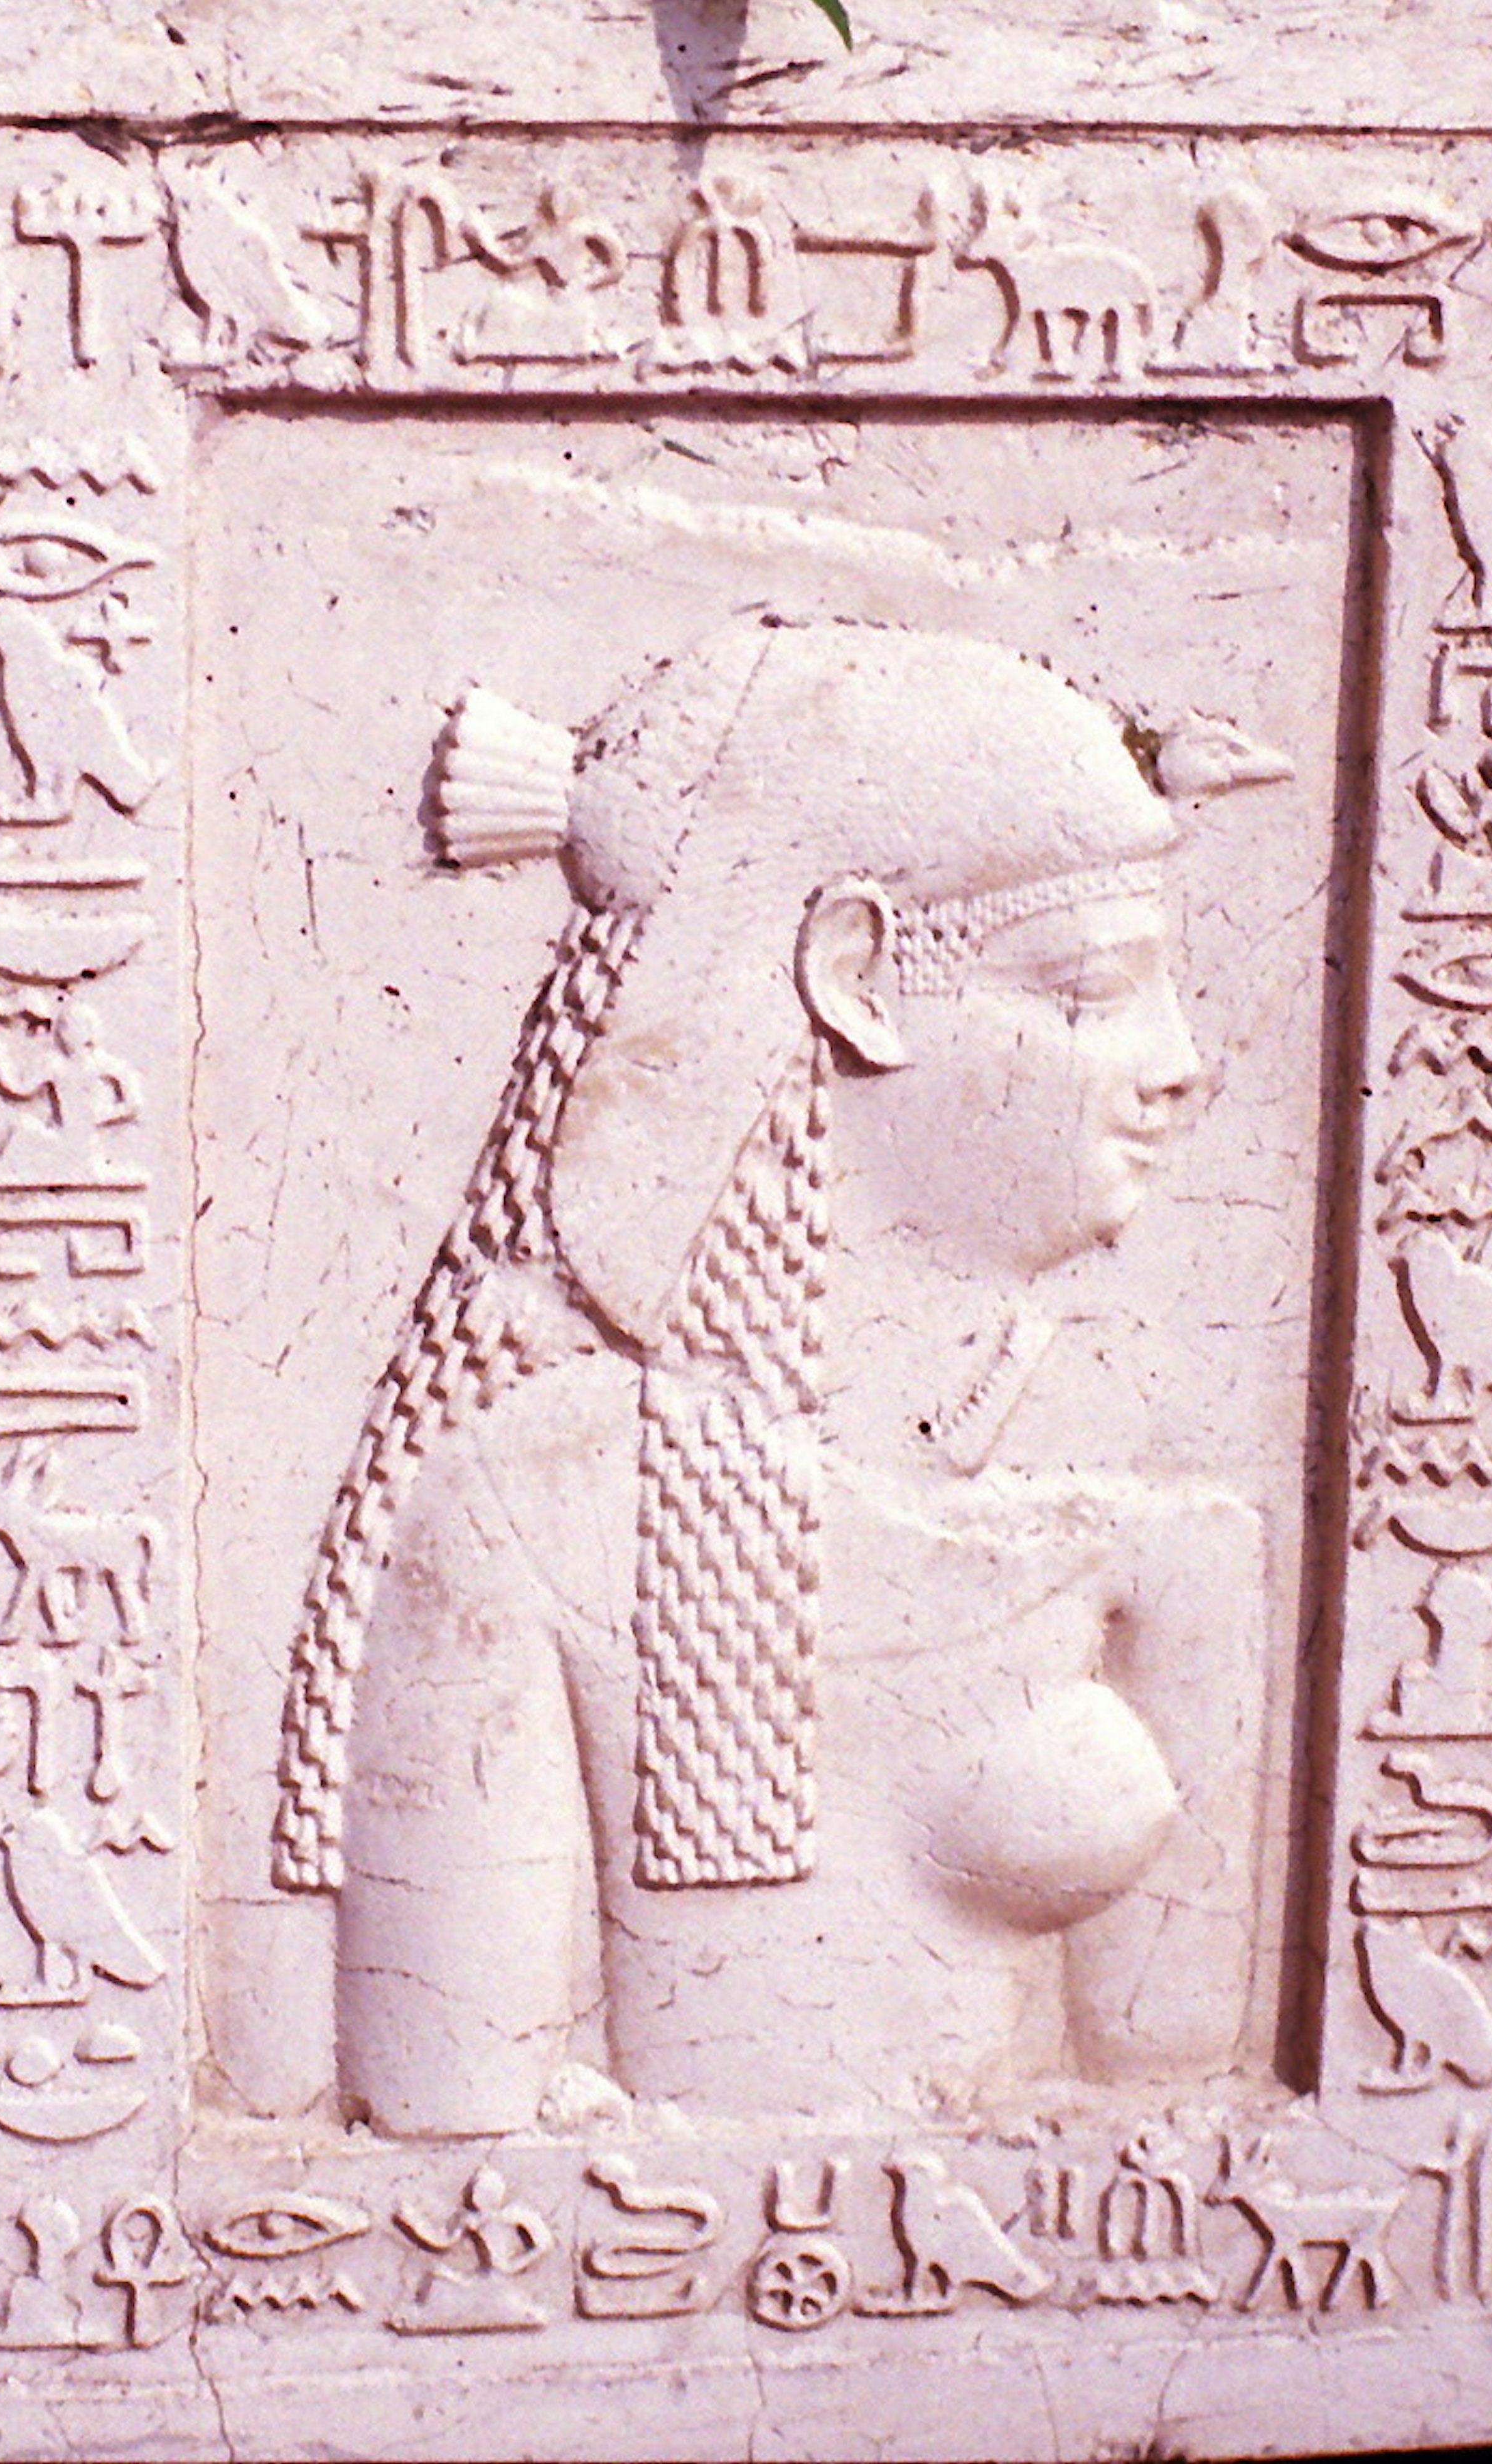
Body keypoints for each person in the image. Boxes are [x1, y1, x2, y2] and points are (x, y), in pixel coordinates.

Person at [274, 616, 1264, 2134]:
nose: (1182, 1057)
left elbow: (1193, 2124)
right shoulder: (534, 1503)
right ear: (858, 978)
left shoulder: (1174, 1541)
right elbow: (443, 2122)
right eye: (1085, 992)